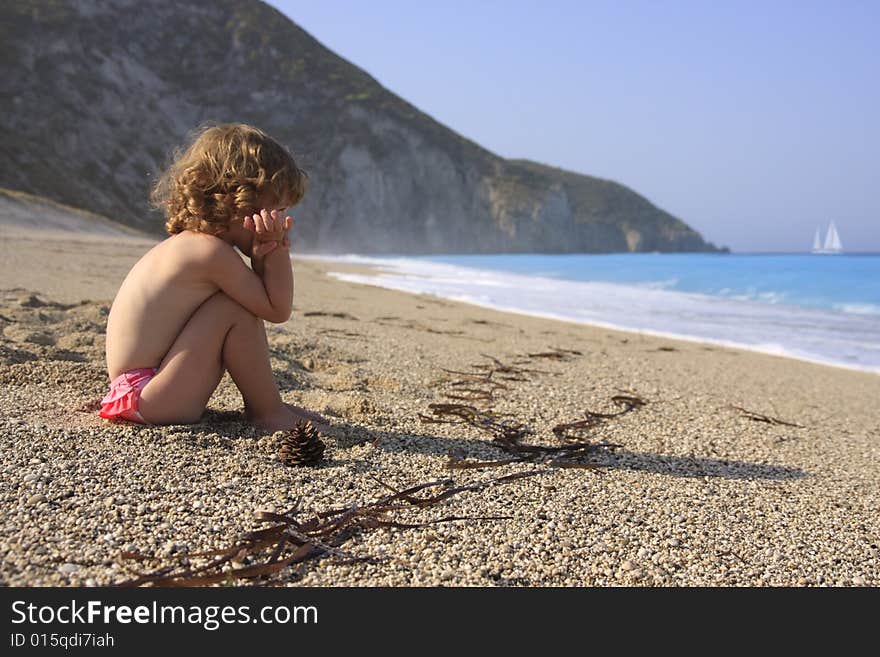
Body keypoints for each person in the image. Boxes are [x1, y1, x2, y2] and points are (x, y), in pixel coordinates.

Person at [99, 123, 327, 432]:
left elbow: (265, 298)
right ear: (240, 202)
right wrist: (275, 251)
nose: (283, 224)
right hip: (151, 396)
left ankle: (269, 405)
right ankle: (268, 412)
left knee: (237, 302)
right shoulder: (211, 254)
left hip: (141, 390)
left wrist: (261, 255)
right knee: (235, 309)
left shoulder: (191, 245)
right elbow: (276, 309)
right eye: (278, 210)